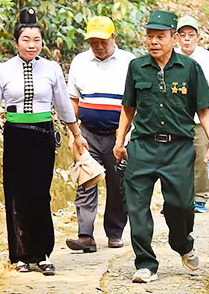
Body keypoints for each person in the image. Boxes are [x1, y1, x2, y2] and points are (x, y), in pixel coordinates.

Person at [0, 7, 88, 276]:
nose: (31, 45)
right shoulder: (3, 71)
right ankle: (20, 255)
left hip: (42, 136)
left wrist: (76, 134)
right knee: (17, 195)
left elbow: (63, 105)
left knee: (40, 194)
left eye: (36, 40)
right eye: (26, 40)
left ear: (42, 42)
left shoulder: (52, 69)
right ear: (16, 42)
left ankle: (43, 254)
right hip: (16, 136)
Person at [112, 10, 209, 284]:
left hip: (178, 148)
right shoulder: (137, 67)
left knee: (181, 206)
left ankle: (182, 243)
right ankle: (146, 264)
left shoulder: (190, 68)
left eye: (160, 36)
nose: (154, 41)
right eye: (150, 36)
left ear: (174, 38)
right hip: (142, 146)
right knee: (136, 207)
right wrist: (120, 140)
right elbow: (128, 107)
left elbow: (204, 109)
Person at [65, 16, 135, 254]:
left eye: (103, 41)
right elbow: (73, 100)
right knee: (86, 180)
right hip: (87, 134)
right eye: (93, 42)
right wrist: (73, 133)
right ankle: (85, 235)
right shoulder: (80, 62)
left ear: (114, 37)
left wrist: (125, 136)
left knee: (117, 184)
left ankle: (115, 232)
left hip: (118, 134)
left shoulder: (128, 62)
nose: (98, 46)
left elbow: (135, 103)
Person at [175, 16, 209, 214]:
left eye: (191, 35)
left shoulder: (206, 58)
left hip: (199, 118)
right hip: (176, 119)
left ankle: (200, 197)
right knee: (175, 161)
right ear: (176, 37)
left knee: (201, 158)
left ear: (198, 37)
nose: (186, 39)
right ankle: (176, 198)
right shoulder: (170, 56)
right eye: (183, 35)